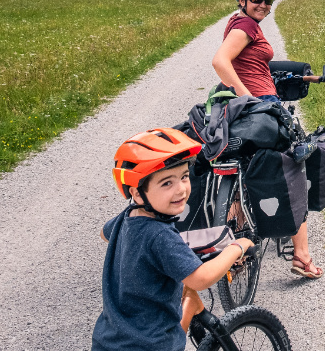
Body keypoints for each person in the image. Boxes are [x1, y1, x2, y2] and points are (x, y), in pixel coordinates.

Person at [92, 127, 255, 351]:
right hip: (150, 345)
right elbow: (201, 279)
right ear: (137, 193)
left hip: (108, 341)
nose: (181, 190)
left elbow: (104, 233)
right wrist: (237, 246)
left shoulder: (126, 218)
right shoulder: (159, 235)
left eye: (184, 177)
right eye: (166, 183)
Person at [211, 0, 323, 280]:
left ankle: (230, 244)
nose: (263, 5)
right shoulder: (246, 26)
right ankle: (302, 255)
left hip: (236, 109)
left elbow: (247, 63)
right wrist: (250, 98)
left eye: (268, 0)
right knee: (294, 165)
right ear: (241, 0)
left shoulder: (238, 23)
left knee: (241, 167)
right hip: (259, 108)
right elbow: (221, 61)